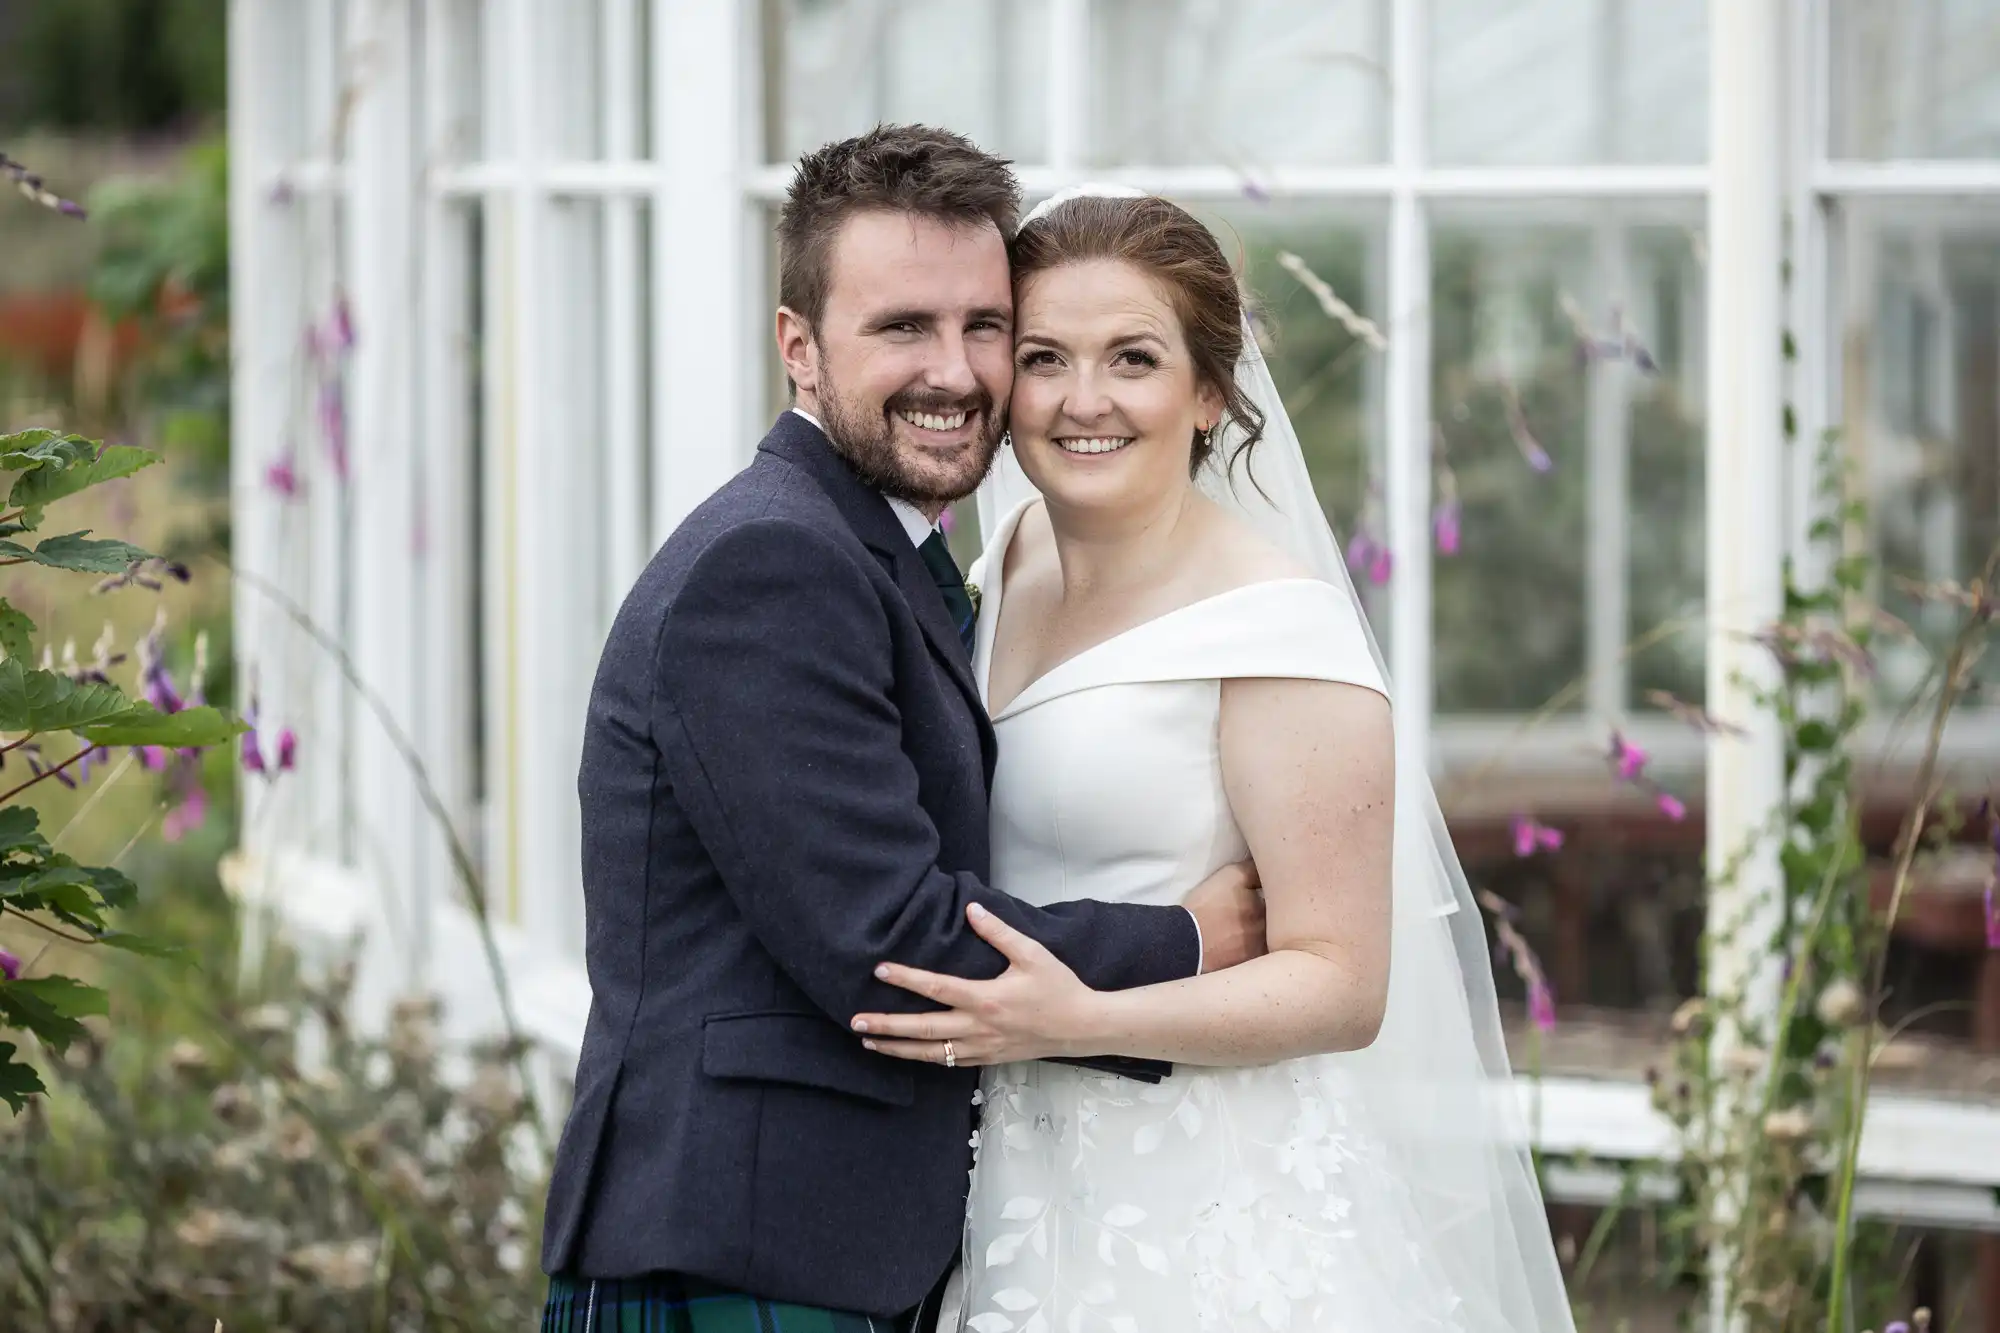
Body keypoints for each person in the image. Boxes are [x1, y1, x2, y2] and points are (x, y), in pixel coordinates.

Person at [537, 131, 1268, 1333]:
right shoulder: (771, 565)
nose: (956, 371)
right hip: (744, 1249)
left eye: (984, 326)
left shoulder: (885, 550)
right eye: (901, 329)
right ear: (798, 347)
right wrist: (1188, 942)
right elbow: (892, 944)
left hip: (818, 1246)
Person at [850, 187, 1579, 1332]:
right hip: (1011, 1190)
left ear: (1206, 394)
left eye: (1131, 359)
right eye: (1044, 357)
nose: (1082, 402)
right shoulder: (1008, 557)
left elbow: (1340, 985)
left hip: (1205, 1210)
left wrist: (1071, 1020)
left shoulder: (1275, 631)